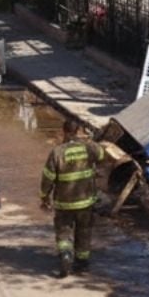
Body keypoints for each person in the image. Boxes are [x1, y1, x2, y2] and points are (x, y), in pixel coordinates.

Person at [39, 118, 106, 278]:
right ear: (79, 131)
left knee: (63, 232)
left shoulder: (57, 152)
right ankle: (82, 264)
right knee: (84, 232)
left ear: (64, 131)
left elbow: (48, 177)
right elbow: (102, 154)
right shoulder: (89, 147)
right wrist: (88, 139)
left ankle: (66, 255)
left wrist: (44, 197)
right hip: (85, 203)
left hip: (64, 204)